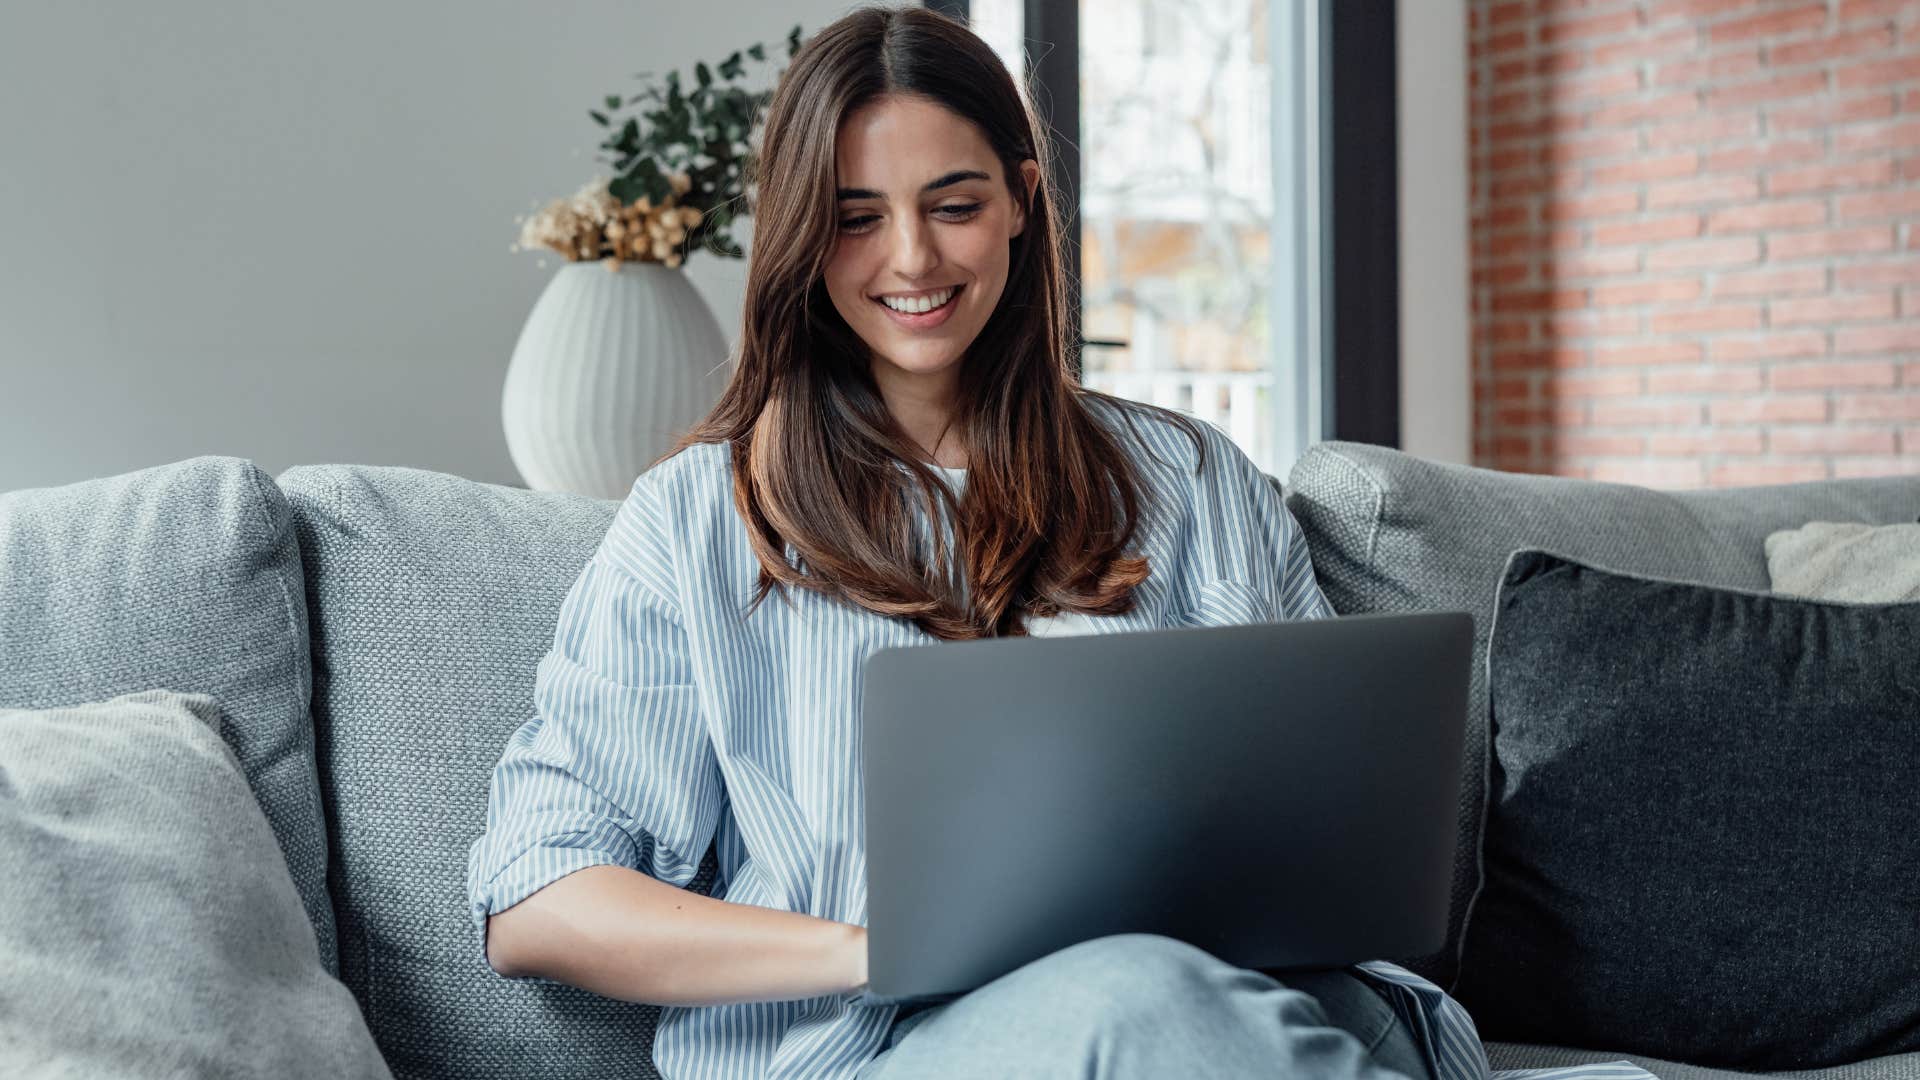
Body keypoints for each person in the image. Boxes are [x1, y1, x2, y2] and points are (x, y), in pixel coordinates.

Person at [466, 7, 1643, 1080]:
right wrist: (876, 948)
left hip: (1245, 1010)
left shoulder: (1188, 480)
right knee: (1138, 995)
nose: (914, 261)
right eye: (857, 219)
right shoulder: (695, 522)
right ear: (799, 240)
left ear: (1024, 200)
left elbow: (1318, 837)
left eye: (955, 204)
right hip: (884, 1049)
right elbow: (539, 899)